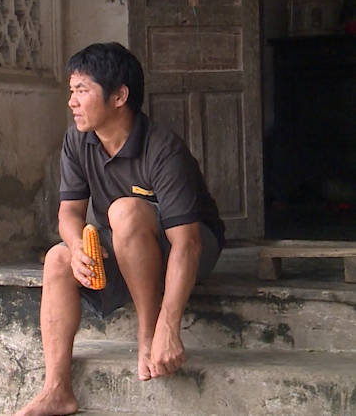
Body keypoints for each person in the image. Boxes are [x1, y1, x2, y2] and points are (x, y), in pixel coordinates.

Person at [16, 42, 225, 416]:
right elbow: (69, 213)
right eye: (71, 91)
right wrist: (76, 247)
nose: (72, 102)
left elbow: (188, 243)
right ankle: (57, 389)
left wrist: (168, 326)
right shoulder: (77, 140)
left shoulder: (162, 147)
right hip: (129, 246)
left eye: (82, 91)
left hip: (192, 246)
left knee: (124, 211)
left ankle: (147, 335)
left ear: (119, 96)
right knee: (57, 258)